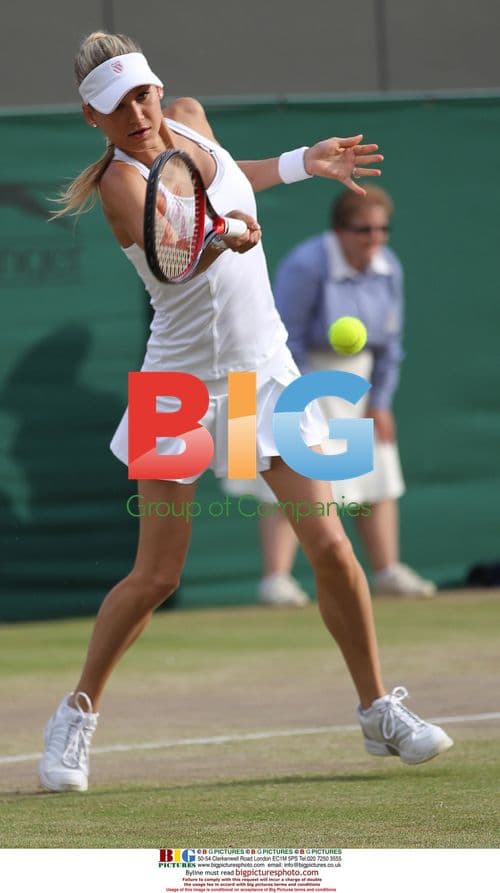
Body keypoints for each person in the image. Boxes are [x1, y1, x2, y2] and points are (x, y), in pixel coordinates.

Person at [39, 31, 453, 793]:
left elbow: (236, 179)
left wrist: (303, 163)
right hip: (178, 388)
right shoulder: (119, 185)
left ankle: (375, 710)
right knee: (156, 575)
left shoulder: (192, 117)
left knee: (331, 546)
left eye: (141, 95)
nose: (135, 113)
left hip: (264, 375)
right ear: (92, 119)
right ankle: (76, 712)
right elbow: (180, 251)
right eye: (113, 107)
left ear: (160, 90)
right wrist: (220, 238)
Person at [226, 188, 436, 606]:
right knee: (295, 471)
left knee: (375, 475)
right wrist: (304, 395)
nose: (374, 238)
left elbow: (391, 345)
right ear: (339, 230)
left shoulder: (388, 267)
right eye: (363, 230)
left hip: (359, 381)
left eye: (382, 229)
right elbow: (285, 335)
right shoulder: (307, 265)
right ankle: (276, 578)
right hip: (298, 374)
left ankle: (387, 570)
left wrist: (380, 401)